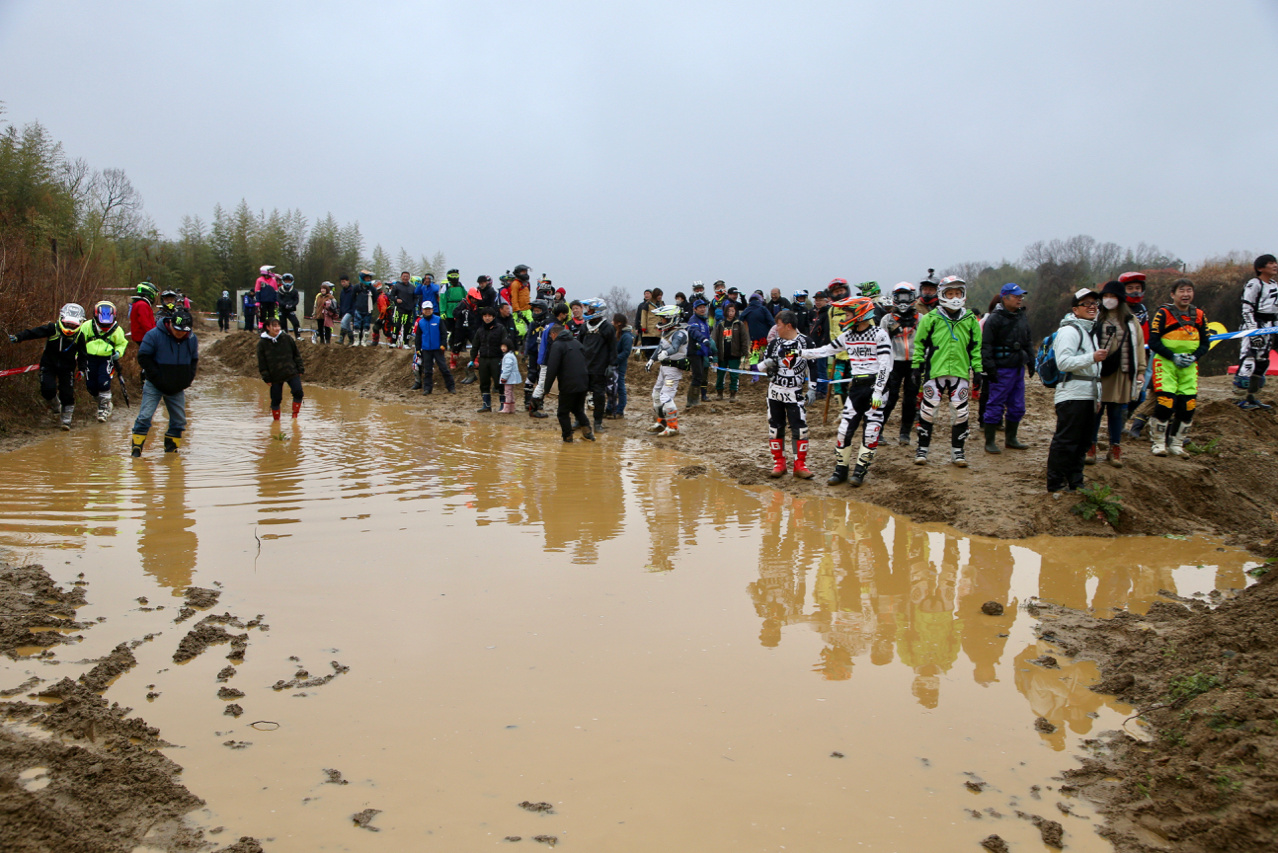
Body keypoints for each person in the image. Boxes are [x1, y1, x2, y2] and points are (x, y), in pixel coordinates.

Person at [799, 297, 892, 486]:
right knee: (843, 430)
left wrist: (878, 391)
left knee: (871, 431)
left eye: (848, 313)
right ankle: (841, 470)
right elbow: (825, 350)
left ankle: (860, 471)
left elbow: (885, 365)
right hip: (856, 386)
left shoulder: (879, 334)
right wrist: (799, 353)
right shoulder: (848, 335)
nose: (845, 317)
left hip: (876, 386)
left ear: (860, 313)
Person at [910, 276, 983, 467]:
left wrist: (978, 370)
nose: (955, 297)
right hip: (935, 371)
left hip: (960, 372)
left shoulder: (970, 319)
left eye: (958, 293)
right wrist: (917, 366)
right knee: (928, 411)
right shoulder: (931, 318)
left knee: (961, 413)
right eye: (950, 294)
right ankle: (922, 449)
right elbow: (919, 344)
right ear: (942, 294)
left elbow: (976, 347)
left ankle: (958, 452)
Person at [1046, 289, 1105, 492]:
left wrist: (1098, 396)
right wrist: (1092, 357)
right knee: (1066, 441)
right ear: (1075, 309)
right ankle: (1056, 484)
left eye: (1094, 303)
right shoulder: (1070, 331)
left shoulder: (1090, 331)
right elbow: (1063, 363)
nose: (1092, 307)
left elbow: (1095, 371)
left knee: (1083, 442)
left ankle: (1076, 482)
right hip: (1072, 394)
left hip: (1088, 394)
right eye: (1086, 304)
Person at [1148, 278, 1209, 456]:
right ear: (1173, 294)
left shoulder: (1199, 315)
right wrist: (1173, 356)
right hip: (1166, 363)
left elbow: (1205, 343)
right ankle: (1158, 443)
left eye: (1189, 290)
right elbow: (1153, 341)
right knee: (1166, 402)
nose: (1186, 294)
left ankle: (1177, 444)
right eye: (1181, 291)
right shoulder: (1163, 313)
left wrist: (1194, 356)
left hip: (1189, 365)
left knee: (1188, 405)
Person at [1089, 280, 1146, 467]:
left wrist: (1141, 371)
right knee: (1096, 411)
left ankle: (1115, 448)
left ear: (1120, 299)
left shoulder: (1131, 321)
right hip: (1099, 372)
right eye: (1106, 296)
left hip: (1122, 373)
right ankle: (1091, 446)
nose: (1109, 299)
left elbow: (1139, 346)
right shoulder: (1096, 318)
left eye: (1112, 296)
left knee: (1116, 412)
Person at [8, 303, 86, 429]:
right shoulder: (52, 329)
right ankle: (56, 405)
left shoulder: (79, 336)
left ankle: (66, 419)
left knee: (67, 393)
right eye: (67, 323)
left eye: (73, 325)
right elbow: (34, 333)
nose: (69, 327)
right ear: (61, 319)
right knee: (47, 389)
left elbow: (83, 354)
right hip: (48, 365)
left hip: (67, 368)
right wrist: (18, 337)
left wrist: (82, 369)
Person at [132, 308, 198, 455]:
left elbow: (194, 360)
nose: (180, 334)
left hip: (177, 387)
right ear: (170, 324)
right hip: (154, 384)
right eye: (177, 330)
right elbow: (143, 357)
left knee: (179, 421)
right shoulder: (153, 335)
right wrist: (157, 377)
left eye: (184, 331)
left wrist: (187, 379)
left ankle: (171, 453)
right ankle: (136, 452)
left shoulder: (191, 339)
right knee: (145, 417)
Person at [980, 283, 1034, 454]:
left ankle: (1011, 439)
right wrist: (989, 368)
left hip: (1018, 367)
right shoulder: (994, 319)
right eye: (1016, 296)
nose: (1020, 299)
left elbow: (1028, 341)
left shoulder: (1021, 316)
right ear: (1005, 297)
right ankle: (990, 442)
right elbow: (986, 345)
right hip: (1001, 368)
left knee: (1018, 406)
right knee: (995, 404)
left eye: (1021, 296)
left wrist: (1031, 361)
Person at [760, 310, 815, 479]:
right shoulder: (774, 344)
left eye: (779, 325)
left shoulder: (806, 342)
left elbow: (813, 366)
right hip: (775, 391)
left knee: (800, 428)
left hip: (795, 391)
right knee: (775, 427)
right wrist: (768, 366)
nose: (776, 328)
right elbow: (762, 366)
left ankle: (800, 465)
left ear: (788, 326)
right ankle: (779, 463)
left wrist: (812, 388)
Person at [536, 324, 594, 442]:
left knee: (562, 413)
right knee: (578, 409)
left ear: (553, 334)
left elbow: (552, 368)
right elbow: (587, 362)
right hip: (583, 382)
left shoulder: (557, 345)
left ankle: (567, 437)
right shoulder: (577, 343)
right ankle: (588, 433)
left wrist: (546, 389)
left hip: (568, 384)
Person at [880, 282, 921, 444]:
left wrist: (924, 361)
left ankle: (905, 433)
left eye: (907, 297)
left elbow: (926, 341)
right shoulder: (887, 319)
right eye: (900, 297)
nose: (903, 301)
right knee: (889, 398)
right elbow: (880, 342)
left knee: (910, 400)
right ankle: (878, 431)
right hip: (894, 363)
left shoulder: (921, 319)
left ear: (913, 297)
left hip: (914, 363)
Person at [1236, 253, 1277, 411]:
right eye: (1271, 263)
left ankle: (1252, 397)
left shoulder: (1274, 285)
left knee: (1262, 362)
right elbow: (1247, 308)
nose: (1275, 265)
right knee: (1249, 360)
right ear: (1260, 268)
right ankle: (1239, 399)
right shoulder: (1254, 284)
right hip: (1254, 325)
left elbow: (1275, 310)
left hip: (1269, 326)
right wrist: (1253, 332)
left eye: (1275, 262)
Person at [77, 301, 128, 423]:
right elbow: (78, 342)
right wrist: (77, 356)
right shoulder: (87, 326)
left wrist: (118, 353)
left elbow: (122, 343)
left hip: (106, 359)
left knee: (103, 383)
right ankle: (102, 402)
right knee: (91, 386)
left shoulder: (117, 330)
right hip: (89, 358)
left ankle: (104, 409)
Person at [646, 304, 688, 436]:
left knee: (665, 396)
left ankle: (673, 427)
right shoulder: (666, 332)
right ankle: (662, 422)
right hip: (663, 368)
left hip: (673, 370)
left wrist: (666, 353)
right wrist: (652, 359)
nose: (662, 321)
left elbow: (674, 347)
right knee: (656, 394)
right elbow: (660, 346)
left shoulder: (680, 333)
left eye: (664, 319)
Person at [257, 315, 305, 421]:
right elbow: (262, 362)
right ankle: (276, 421)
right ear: (268, 327)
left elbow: (296, 354)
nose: (277, 328)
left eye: (278, 326)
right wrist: (266, 377)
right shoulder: (262, 343)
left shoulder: (287, 338)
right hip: (275, 375)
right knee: (276, 399)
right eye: (274, 326)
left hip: (291, 371)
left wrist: (300, 368)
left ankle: (294, 417)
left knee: (298, 392)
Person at [578, 298, 615, 432]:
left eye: (591, 310)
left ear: (598, 311)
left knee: (599, 396)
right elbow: (578, 345)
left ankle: (597, 422)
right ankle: (579, 420)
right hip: (584, 367)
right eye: (588, 309)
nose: (588, 312)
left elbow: (613, 348)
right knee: (579, 395)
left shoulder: (607, 328)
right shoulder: (584, 327)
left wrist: (611, 365)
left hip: (599, 368)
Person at [470, 304, 509, 412]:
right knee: (484, 383)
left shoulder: (500, 329)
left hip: (496, 359)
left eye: (489, 316)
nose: (487, 318)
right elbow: (475, 346)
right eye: (485, 316)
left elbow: (505, 344)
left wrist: (504, 358)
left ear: (493, 317)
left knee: (499, 383)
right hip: (483, 359)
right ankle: (486, 405)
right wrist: (472, 359)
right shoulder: (480, 330)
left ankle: (503, 405)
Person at [410, 301, 454, 395]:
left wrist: (443, 345)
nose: (428, 311)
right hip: (426, 349)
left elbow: (443, 333)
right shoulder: (421, 322)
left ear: (432, 310)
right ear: (422, 310)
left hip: (438, 349)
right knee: (427, 370)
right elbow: (418, 337)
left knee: (443, 368)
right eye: (426, 309)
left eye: (429, 309)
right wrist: (418, 349)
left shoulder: (438, 320)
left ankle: (451, 387)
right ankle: (427, 389)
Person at [712, 302, 749, 400]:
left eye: (733, 311)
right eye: (729, 311)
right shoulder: (721, 325)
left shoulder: (739, 324)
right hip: (722, 355)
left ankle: (733, 394)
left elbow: (744, 339)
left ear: (735, 312)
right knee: (720, 375)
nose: (731, 313)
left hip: (735, 355)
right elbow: (715, 339)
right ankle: (719, 393)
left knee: (734, 375)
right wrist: (714, 353)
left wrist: (745, 352)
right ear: (725, 312)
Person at [686, 299, 712, 407]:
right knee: (697, 375)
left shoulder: (704, 321)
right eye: (700, 307)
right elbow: (694, 331)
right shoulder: (694, 320)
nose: (702, 309)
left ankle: (694, 399)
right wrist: (702, 339)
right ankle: (692, 401)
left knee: (700, 375)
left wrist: (710, 353)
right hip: (694, 351)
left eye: (704, 307)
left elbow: (708, 338)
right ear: (695, 309)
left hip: (702, 352)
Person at [608, 313, 634, 418]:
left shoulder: (626, 336)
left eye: (613, 321)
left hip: (620, 365)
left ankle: (620, 410)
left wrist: (614, 360)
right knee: (611, 387)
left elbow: (626, 352)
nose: (612, 322)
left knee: (620, 387)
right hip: (613, 363)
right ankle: (610, 409)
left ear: (618, 323)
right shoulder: (617, 333)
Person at [440, 269, 466, 347]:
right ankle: (451, 344)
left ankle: (461, 345)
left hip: (460, 310)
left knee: (461, 329)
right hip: (449, 311)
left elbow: (466, 297)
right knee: (450, 329)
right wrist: (442, 312)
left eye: (456, 275)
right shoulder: (446, 287)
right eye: (452, 276)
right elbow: (442, 300)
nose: (454, 278)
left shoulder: (462, 286)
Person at [391, 272, 417, 348]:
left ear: (409, 278)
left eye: (407, 276)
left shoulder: (412, 287)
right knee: (397, 326)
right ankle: (393, 342)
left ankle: (406, 343)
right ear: (401, 277)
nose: (405, 278)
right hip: (399, 309)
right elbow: (391, 296)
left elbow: (416, 298)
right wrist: (396, 299)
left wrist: (413, 305)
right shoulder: (397, 286)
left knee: (408, 327)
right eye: (404, 276)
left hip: (409, 310)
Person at [499, 339, 522, 413]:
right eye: (502, 346)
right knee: (510, 391)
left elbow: (507, 368)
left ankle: (507, 408)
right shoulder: (511, 355)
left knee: (507, 392)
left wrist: (504, 377)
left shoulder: (508, 356)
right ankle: (511, 408)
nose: (502, 348)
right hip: (512, 377)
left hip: (509, 378)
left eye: (504, 346)